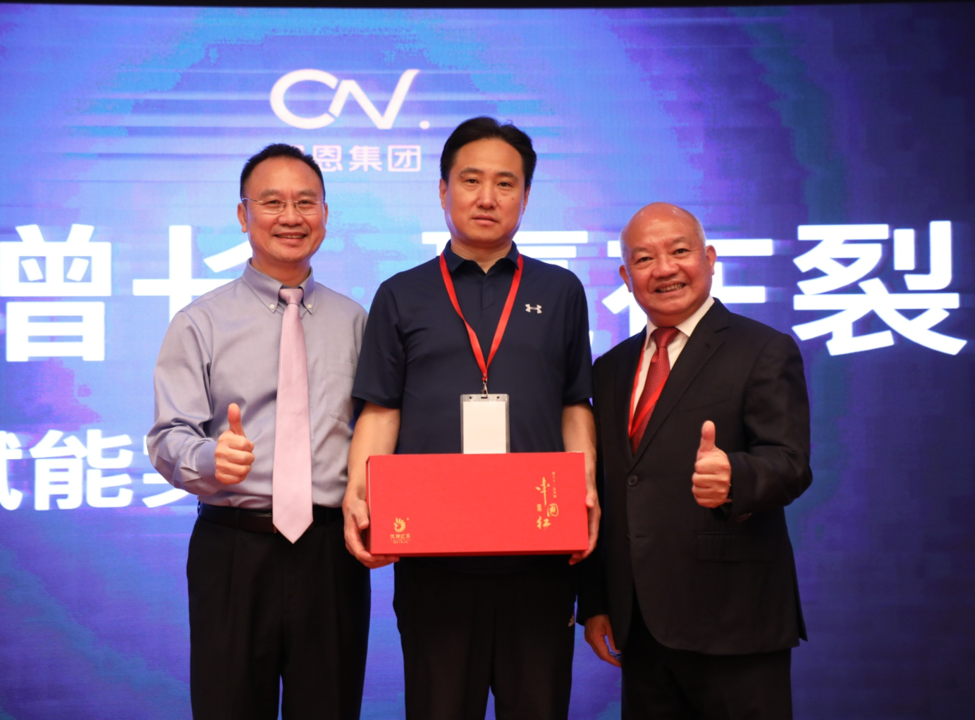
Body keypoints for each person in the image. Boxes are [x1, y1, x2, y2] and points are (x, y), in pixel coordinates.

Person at [343, 116, 600, 720]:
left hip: (539, 552)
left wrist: (586, 488)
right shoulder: (401, 294)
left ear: (526, 196)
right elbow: (381, 410)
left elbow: (574, 404)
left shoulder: (560, 291)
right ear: (443, 189)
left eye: (505, 183)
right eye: (471, 180)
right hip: (435, 556)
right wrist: (359, 492)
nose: (488, 198)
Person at [147, 144, 369, 720]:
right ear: (244, 215)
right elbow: (167, 435)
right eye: (272, 202)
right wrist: (209, 457)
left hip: (330, 553)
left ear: (325, 214)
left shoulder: (356, 321)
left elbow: (377, 432)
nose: (290, 217)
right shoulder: (199, 321)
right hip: (233, 549)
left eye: (305, 202)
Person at [580, 202, 811, 718]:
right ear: (626, 277)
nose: (664, 269)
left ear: (709, 258)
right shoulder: (610, 368)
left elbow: (791, 462)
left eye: (679, 251)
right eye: (644, 259)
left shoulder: (762, 349)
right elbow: (609, 488)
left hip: (735, 619)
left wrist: (735, 477)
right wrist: (595, 601)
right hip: (640, 625)